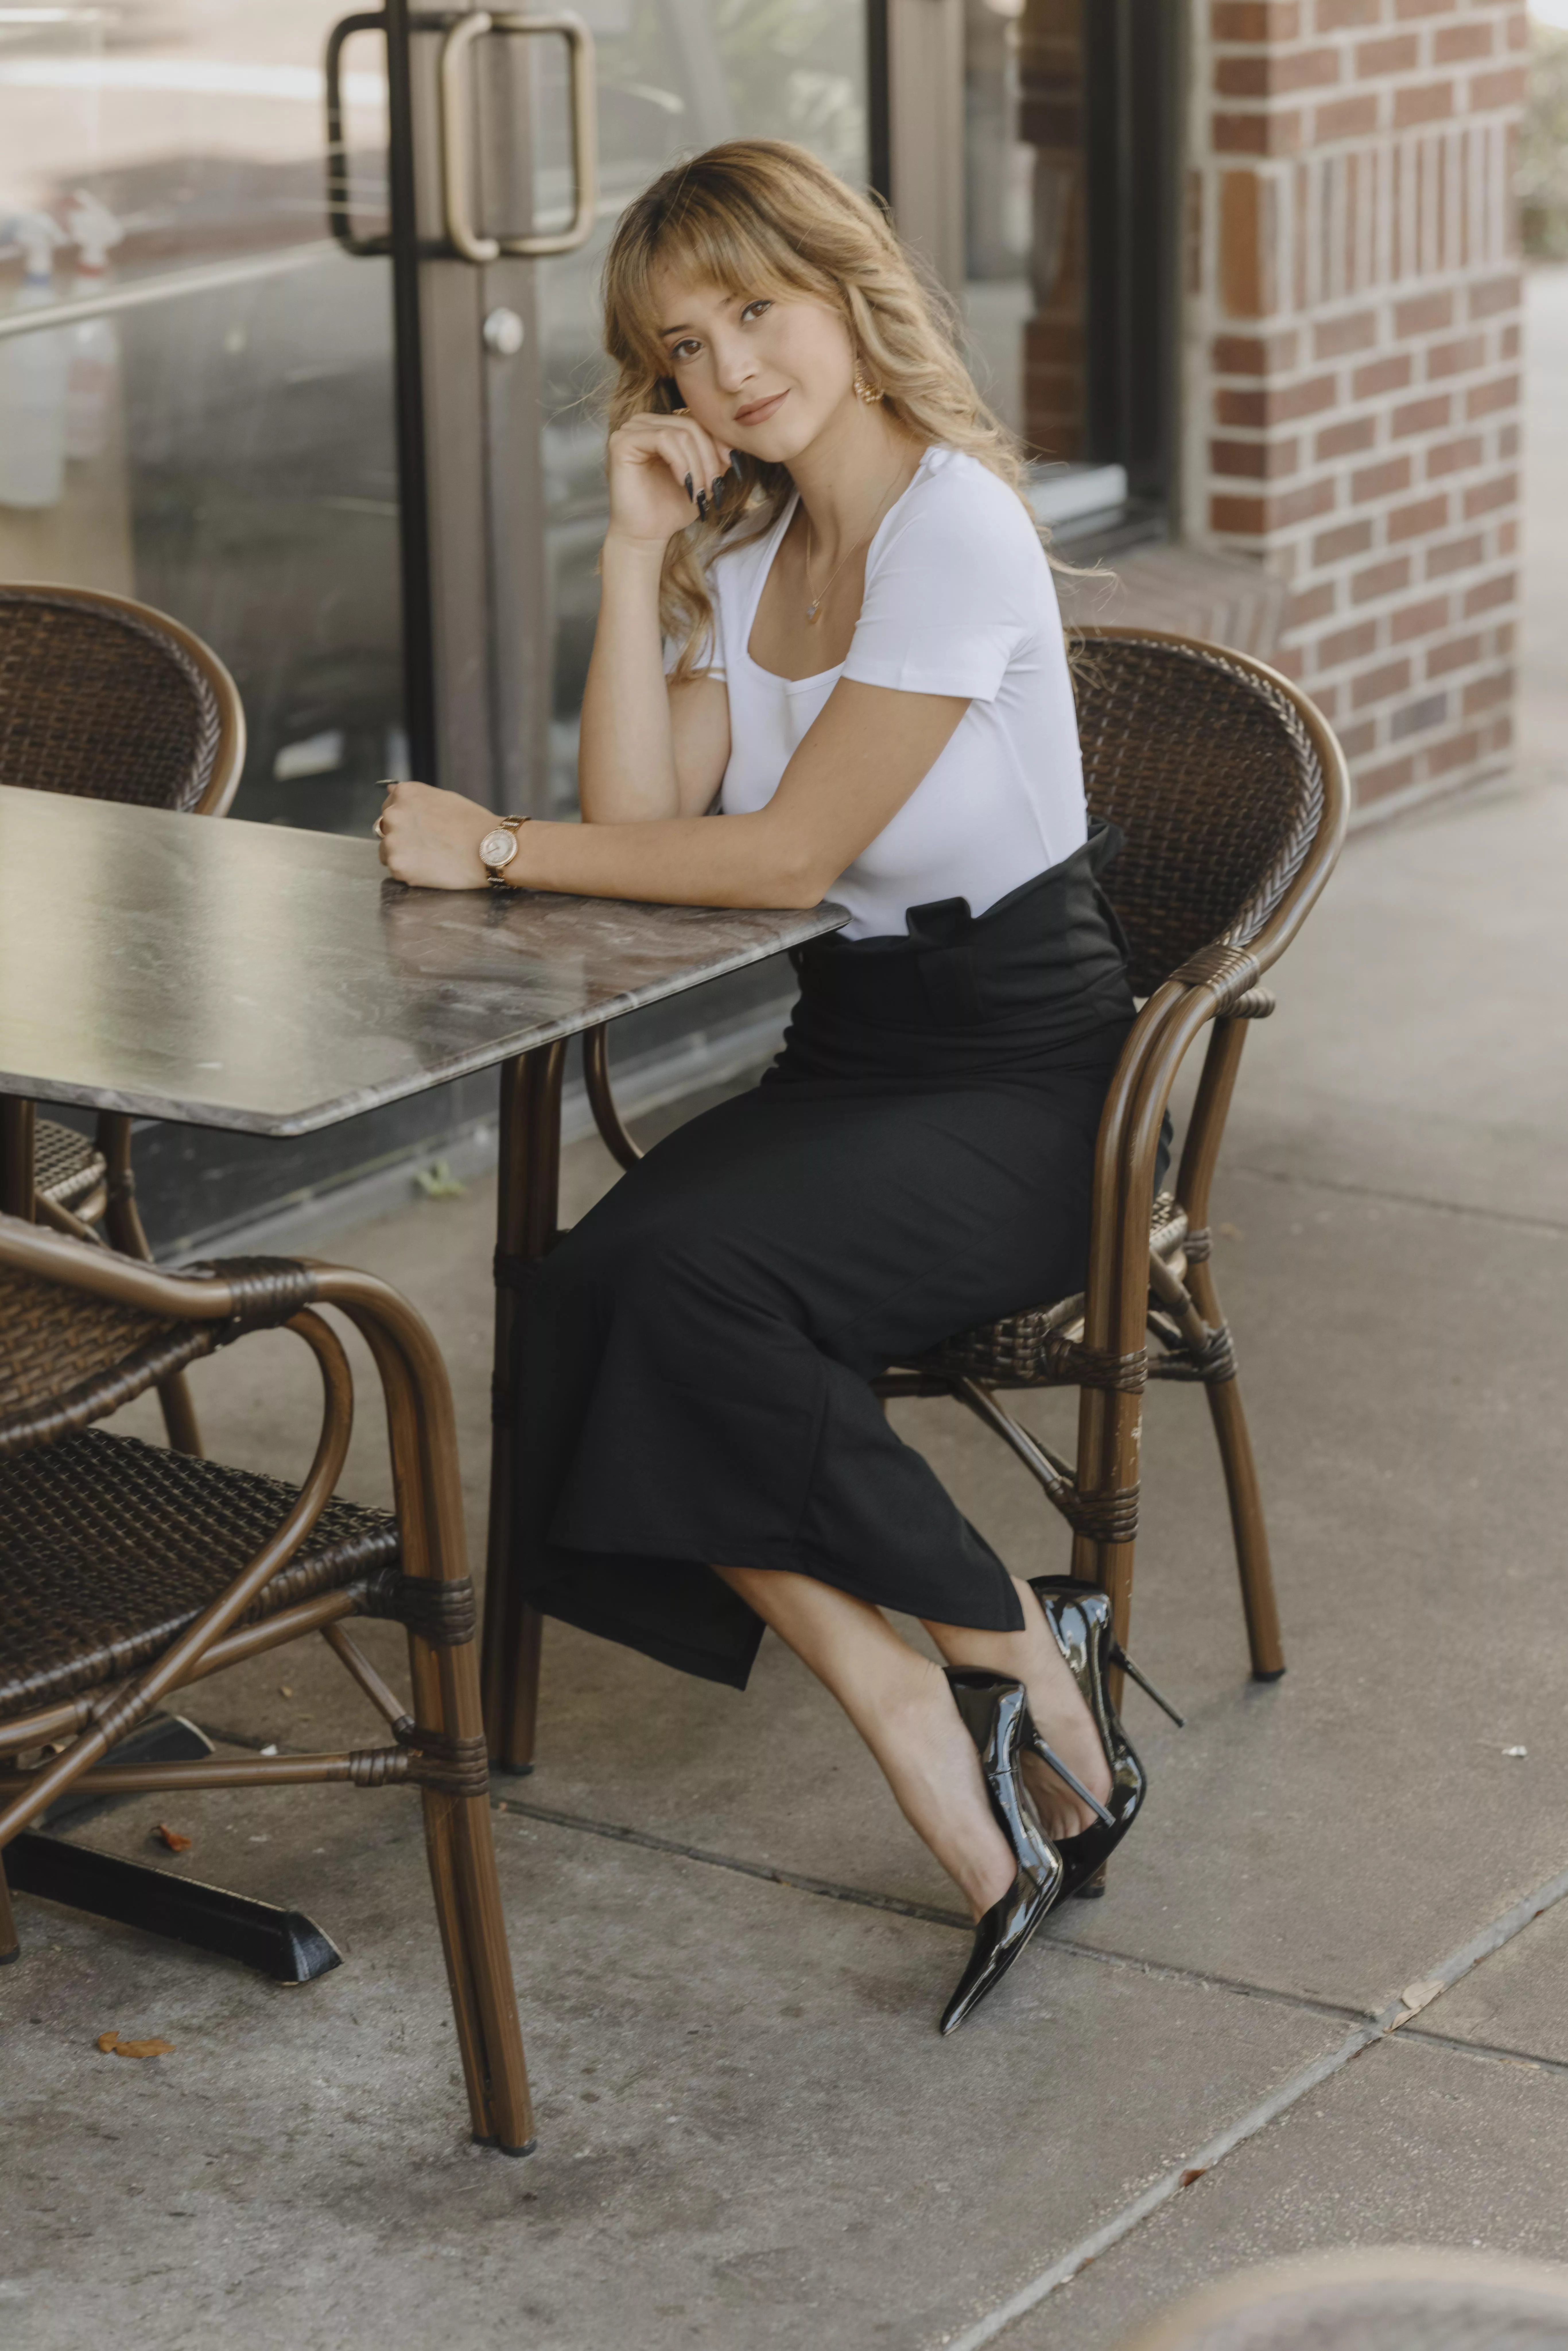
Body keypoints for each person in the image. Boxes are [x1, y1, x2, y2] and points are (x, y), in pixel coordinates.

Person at [375, 138, 1154, 2032]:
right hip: (856, 1060)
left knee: (681, 1292)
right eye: (680, 347)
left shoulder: (949, 523)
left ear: (843, 290)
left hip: (1031, 1079)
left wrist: (497, 851)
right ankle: (949, 1678)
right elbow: (649, 816)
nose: (729, 369)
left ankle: (984, 1670)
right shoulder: (763, 548)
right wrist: (637, 549)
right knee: (584, 1300)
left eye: (755, 309)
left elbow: (784, 856)